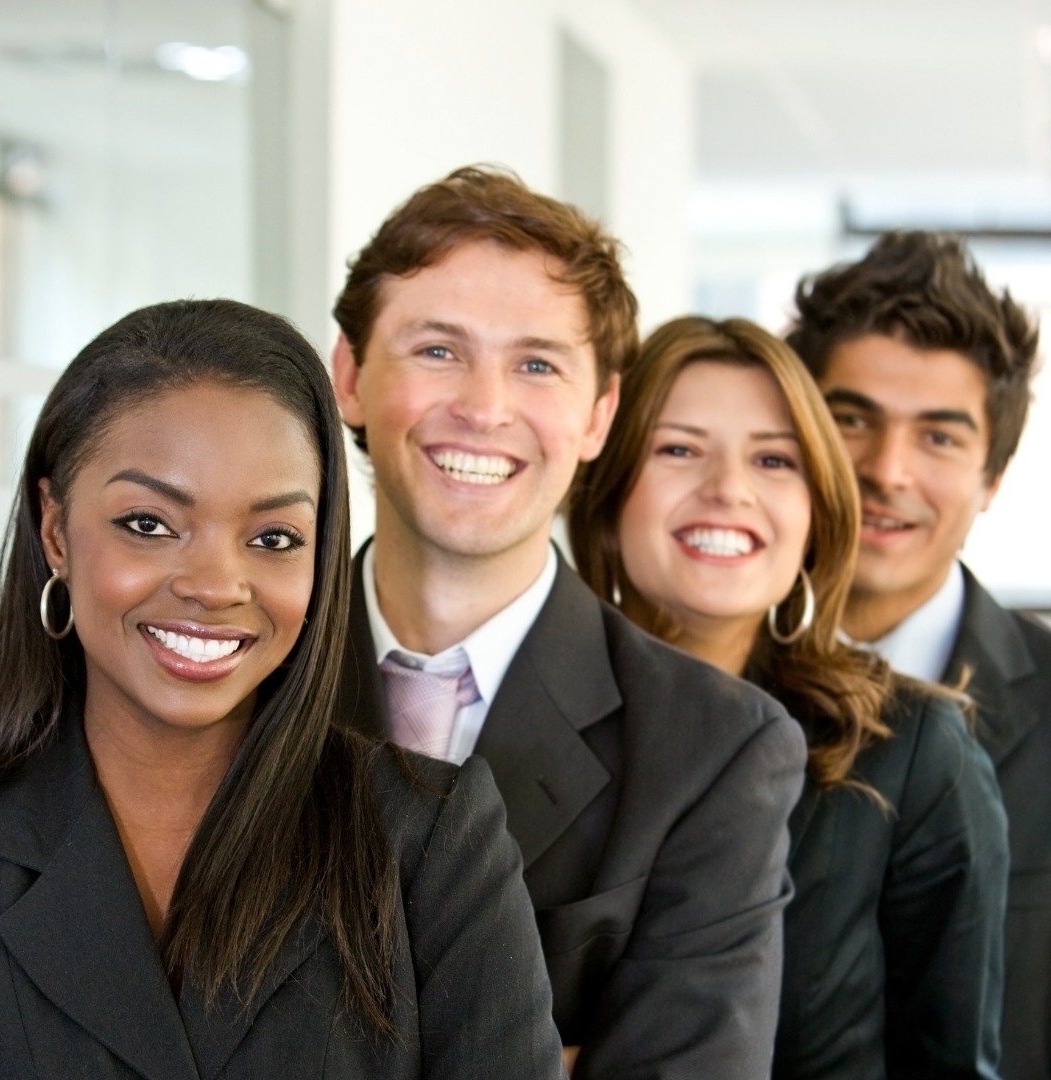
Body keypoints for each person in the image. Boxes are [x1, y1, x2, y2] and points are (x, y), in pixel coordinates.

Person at [0, 298, 566, 1079]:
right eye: (149, 523)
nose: (217, 585)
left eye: (273, 539)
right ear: (54, 529)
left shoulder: (430, 842)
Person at [330, 165, 807, 1078]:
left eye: (537, 364)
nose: (484, 407)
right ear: (350, 377)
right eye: (437, 350)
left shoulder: (716, 748)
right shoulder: (236, 681)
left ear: (598, 415)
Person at [568, 314, 1009, 1079]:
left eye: (775, 460)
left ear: (815, 515)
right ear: (607, 492)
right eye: (678, 449)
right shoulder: (505, 716)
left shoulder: (916, 754)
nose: (728, 490)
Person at [786, 231, 1051, 1080]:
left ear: (993, 477)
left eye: (939, 437)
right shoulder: (696, 687)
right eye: (852, 420)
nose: (885, 471)